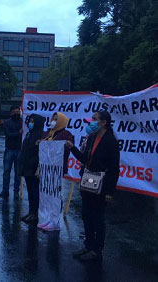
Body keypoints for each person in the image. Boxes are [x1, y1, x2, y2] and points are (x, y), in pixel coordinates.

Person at [66, 110, 120, 262]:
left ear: (103, 123)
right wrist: (72, 148)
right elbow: (84, 158)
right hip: (87, 181)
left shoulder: (110, 141)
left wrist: (110, 191)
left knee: (98, 217)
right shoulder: (91, 138)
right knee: (86, 215)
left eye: (95, 119)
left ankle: (97, 250)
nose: (91, 122)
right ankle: (88, 245)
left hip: (102, 184)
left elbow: (114, 167)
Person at [37, 112, 75, 231]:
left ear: (61, 121)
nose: (53, 121)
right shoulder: (48, 133)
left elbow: (66, 149)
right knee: (47, 194)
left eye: (56, 119)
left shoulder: (66, 134)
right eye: (53, 119)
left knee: (56, 195)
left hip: (57, 169)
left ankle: (55, 221)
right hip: (46, 168)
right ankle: (48, 218)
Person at [20, 114, 45, 223]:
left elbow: (40, 154)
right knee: (30, 191)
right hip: (26, 167)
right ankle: (31, 212)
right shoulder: (29, 134)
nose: (30, 123)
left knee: (35, 191)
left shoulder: (41, 136)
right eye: (30, 121)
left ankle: (35, 214)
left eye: (33, 121)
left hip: (33, 168)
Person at [0, 106, 23, 198]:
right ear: (11, 113)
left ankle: (16, 191)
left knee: (18, 172)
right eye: (15, 112)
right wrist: (18, 133)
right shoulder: (7, 123)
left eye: (18, 111)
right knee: (6, 171)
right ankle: (5, 191)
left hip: (20, 149)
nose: (17, 113)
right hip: (9, 149)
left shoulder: (23, 122)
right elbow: (8, 135)